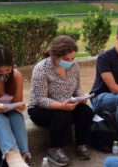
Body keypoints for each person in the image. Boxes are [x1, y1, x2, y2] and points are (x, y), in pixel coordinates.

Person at [28, 36, 94, 166]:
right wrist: (61, 106)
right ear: (55, 56)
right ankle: (54, 148)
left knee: (85, 111)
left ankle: (81, 144)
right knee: (62, 114)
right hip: (41, 109)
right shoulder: (42, 68)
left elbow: (77, 88)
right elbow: (41, 99)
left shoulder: (74, 66)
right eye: (66, 59)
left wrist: (82, 99)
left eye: (72, 58)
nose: (70, 62)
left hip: (67, 103)